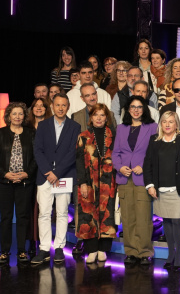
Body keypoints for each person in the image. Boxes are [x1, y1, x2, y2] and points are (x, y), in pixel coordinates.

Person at [144, 110, 180, 272]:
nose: (167, 124)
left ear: (176, 124)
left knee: (176, 221)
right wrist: (150, 185)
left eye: (171, 121)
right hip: (161, 189)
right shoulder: (154, 140)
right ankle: (170, 253)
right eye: (164, 122)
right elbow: (148, 164)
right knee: (167, 221)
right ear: (160, 124)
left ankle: (177, 256)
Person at [31, 93, 81, 265]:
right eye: (57, 105)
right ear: (52, 106)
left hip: (64, 176)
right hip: (45, 177)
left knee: (62, 213)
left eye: (64, 105)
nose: (60, 108)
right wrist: (48, 171)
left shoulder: (75, 126)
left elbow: (72, 153)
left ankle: (59, 247)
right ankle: (44, 248)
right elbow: (37, 150)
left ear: (68, 107)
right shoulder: (43, 125)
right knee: (44, 214)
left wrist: (57, 172)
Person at [113, 95, 160, 267]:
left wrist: (142, 165)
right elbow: (115, 153)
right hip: (124, 178)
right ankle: (131, 251)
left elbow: (155, 153)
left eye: (139, 107)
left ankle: (145, 252)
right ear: (128, 109)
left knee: (143, 217)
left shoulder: (152, 127)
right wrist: (119, 167)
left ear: (144, 109)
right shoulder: (121, 128)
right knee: (128, 216)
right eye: (132, 106)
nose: (136, 110)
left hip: (143, 177)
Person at [0, 102, 37, 265]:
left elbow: (36, 157)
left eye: (21, 114)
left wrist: (26, 173)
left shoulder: (31, 133)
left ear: (24, 116)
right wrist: (5, 174)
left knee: (23, 216)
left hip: (25, 182)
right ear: (8, 116)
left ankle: (22, 250)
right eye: (14, 114)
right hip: (4, 182)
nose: (17, 116)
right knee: (6, 216)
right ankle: (4, 251)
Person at [75, 103, 117, 264]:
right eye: (95, 115)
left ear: (106, 118)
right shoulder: (83, 136)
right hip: (88, 180)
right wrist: (83, 183)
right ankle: (91, 249)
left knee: (107, 213)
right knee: (88, 215)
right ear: (90, 118)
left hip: (108, 181)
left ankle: (103, 249)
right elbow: (79, 161)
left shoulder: (113, 134)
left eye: (102, 115)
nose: (99, 118)